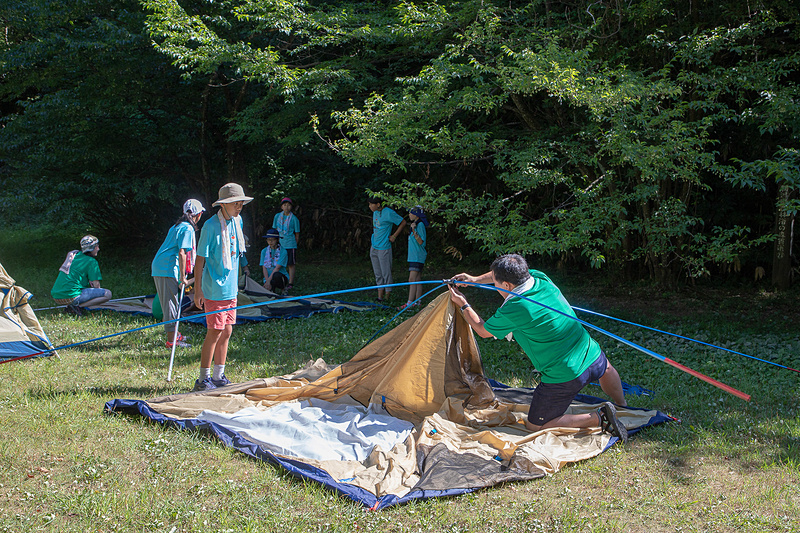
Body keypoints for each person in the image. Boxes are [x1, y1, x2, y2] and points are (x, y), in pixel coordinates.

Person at [448, 254, 629, 442]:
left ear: (507, 285)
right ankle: (623, 407)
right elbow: (498, 276)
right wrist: (474, 279)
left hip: (565, 374)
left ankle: (599, 418)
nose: (494, 285)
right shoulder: (538, 278)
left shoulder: (515, 307)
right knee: (606, 368)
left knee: (535, 425)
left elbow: (483, 330)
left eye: (495, 282)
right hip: (591, 352)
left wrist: (463, 304)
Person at [193, 183, 253, 392]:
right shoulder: (210, 226)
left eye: (241, 204)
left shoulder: (238, 221)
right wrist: (198, 290)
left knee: (227, 331)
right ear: (224, 205)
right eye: (236, 204)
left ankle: (219, 375)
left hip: (230, 289)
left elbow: (238, 252)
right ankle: (203, 378)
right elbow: (199, 260)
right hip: (214, 289)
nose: (239, 207)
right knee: (214, 331)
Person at [151, 199, 205, 348]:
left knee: (172, 302)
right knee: (171, 304)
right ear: (198, 215)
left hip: (162, 266)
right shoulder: (187, 228)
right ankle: (171, 341)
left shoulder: (178, 226)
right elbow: (182, 252)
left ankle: (175, 334)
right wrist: (182, 277)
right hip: (166, 267)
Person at [51, 235, 112, 316]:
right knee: (107, 294)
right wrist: (97, 295)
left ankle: (73, 306)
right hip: (71, 296)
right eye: (97, 246)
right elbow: (96, 286)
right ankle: (77, 306)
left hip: (56, 295)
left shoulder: (75, 255)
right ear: (93, 247)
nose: (98, 248)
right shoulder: (91, 261)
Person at [368, 196, 406, 302]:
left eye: (371, 204)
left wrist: (394, 236)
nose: (370, 206)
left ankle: (388, 297)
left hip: (384, 247)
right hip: (374, 246)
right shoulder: (375, 213)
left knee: (386, 272)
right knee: (377, 273)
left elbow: (403, 222)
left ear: (378, 204)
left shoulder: (389, 212)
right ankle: (379, 297)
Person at [399, 206, 429, 310]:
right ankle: (418, 302)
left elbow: (421, 242)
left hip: (417, 256)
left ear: (416, 214)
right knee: (417, 279)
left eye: (411, 213)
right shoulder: (416, 224)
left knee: (412, 279)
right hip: (414, 256)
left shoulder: (419, 225)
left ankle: (409, 303)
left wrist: (413, 230)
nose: (409, 215)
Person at [272, 197, 299, 291]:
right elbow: (275, 229)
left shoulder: (294, 219)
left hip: (290, 244)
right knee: (279, 263)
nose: (286, 207)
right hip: (280, 243)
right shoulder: (277, 216)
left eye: (288, 205)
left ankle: (291, 282)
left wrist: (295, 243)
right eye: (284, 205)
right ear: (281, 207)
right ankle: (279, 279)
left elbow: (297, 233)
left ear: (291, 207)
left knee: (291, 264)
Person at [260, 228, 289, 294]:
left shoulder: (283, 251)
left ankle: (283, 289)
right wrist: (267, 281)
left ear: (277, 240)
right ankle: (271, 289)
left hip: (279, 276)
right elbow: (264, 267)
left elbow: (277, 268)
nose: (270, 242)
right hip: (268, 278)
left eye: (272, 240)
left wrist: (268, 281)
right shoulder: (264, 251)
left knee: (276, 275)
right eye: (268, 240)